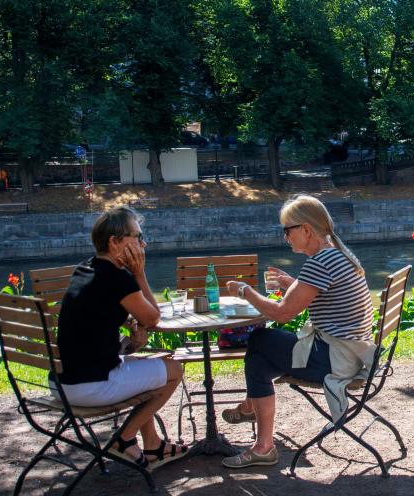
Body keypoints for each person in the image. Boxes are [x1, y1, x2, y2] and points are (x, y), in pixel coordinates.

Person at [220, 195, 375, 469]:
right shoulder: (339, 253)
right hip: (352, 355)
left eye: (287, 230)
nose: (285, 237)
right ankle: (261, 442)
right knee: (258, 358)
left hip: (334, 360)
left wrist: (246, 291)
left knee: (258, 338)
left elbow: (281, 314)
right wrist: (294, 283)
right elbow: (325, 295)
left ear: (306, 229)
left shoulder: (321, 262)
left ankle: (253, 421)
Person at [56, 206, 187, 469]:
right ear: (115, 242)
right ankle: (124, 439)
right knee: (174, 369)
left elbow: (96, 322)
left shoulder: (85, 269)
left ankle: (153, 445)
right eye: (137, 237)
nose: (143, 243)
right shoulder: (118, 279)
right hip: (91, 386)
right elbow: (152, 318)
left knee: (149, 365)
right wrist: (139, 273)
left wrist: (130, 341)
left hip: (63, 382)